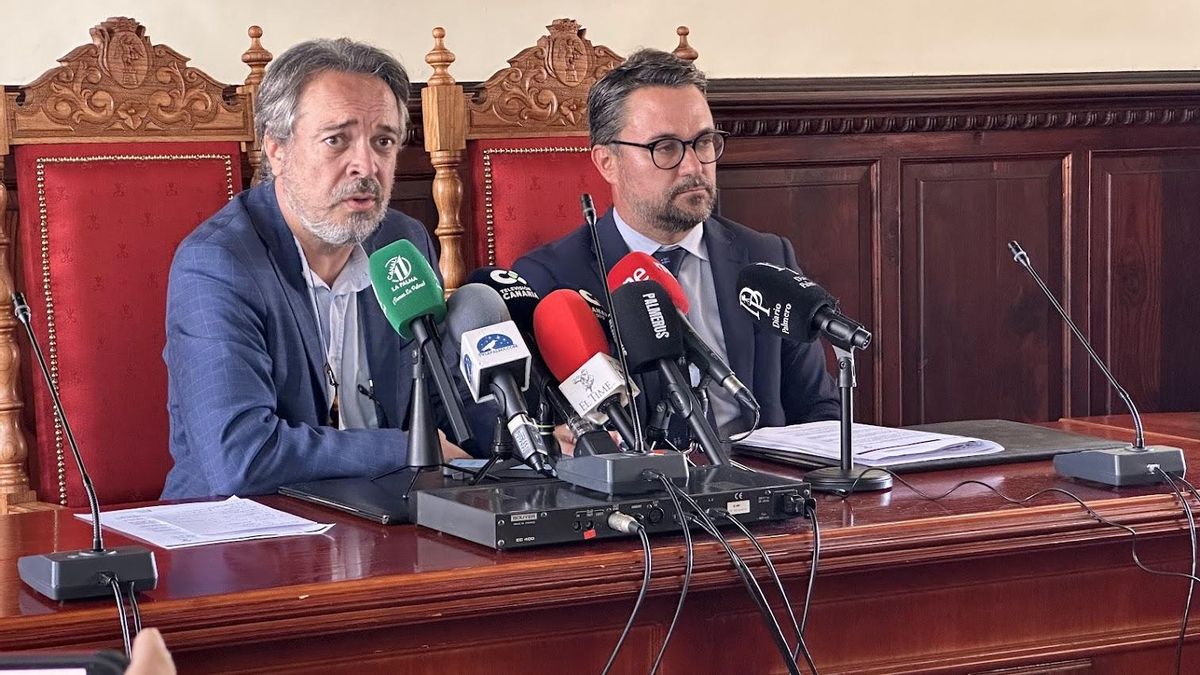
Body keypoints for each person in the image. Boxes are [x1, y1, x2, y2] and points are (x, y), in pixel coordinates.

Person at [162, 39, 490, 499]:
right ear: (276, 150)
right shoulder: (220, 264)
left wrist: (530, 438)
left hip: (384, 520)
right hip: (242, 537)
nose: (367, 165)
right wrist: (411, 450)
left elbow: (441, 400)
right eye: (337, 140)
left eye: (384, 141)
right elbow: (241, 456)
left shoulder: (401, 242)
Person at [513, 49, 840, 446]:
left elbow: (817, 410)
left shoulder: (764, 258)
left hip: (765, 488)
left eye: (703, 142)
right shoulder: (549, 281)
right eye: (665, 148)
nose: (693, 166)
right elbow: (535, 432)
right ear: (606, 162)